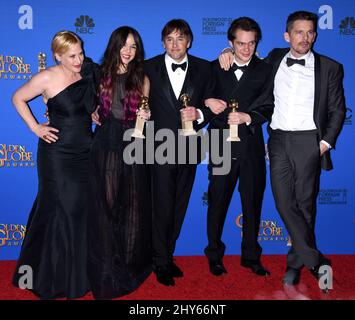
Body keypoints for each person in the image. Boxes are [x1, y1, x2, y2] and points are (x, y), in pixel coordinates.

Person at [219, 11, 346, 286]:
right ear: (287, 35)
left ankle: (296, 263)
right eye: (299, 32)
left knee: (305, 205)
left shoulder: (331, 67)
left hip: (309, 141)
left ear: (315, 34)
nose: (305, 38)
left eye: (310, 32)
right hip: (277, 141)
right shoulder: (274, 58)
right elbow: (245, 56)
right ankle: (317, 261)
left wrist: (324, 144)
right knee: (283, 202)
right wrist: (226, 51)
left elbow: (337, 111)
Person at [11, 30, 99, 299]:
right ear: (58, 55)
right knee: (59, 210)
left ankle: (77, 275)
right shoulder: (47, 76)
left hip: (86, 150)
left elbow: (88, 107)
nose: (78, 59)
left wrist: (94, 115)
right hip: (57, 154)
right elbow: (18, 97)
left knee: (81, 211)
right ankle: (48, 276)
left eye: (81, 53)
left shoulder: (86, 73)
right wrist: (35, 127)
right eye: (72, 55)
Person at [144, 19, 214, 286]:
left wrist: (199, 114)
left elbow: (213, 103)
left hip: (190, 147)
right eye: (170, 39)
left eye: (180, 38)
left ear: (190, 41)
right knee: (161, 206)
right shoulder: (147, 68)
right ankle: (159, 261)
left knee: (178, 206)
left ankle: (166, 255)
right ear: (163, 42)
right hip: (157, 148)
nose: (175, 44)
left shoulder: (205, 68)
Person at [204, 17, 272, 277]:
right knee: (217, 202)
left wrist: (248, 117)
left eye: (251, 43)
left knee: (252, 203)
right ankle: (214, 255)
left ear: (256, 43)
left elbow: (269, 105)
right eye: (240, 43)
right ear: (230, 43)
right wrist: (208, 100)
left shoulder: (266, 70)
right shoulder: (215, 67)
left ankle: (251, 256)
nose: (246, 49)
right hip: (220, 144)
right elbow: (200, 97)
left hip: (251, 145)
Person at [88, 26, 152, 299]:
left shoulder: (142, 77)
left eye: (133, 46)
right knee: (107, 206)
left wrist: (146, 115)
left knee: (134, 207)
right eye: (124, 45)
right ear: (114, 46)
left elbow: (144, 111)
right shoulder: (98, 74)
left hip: (134, 144)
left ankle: (127, 265)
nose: (128, 51)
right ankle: (106, 270)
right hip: (106, 145)